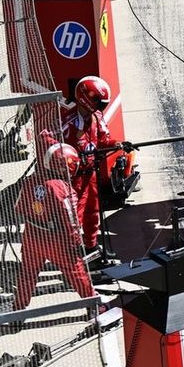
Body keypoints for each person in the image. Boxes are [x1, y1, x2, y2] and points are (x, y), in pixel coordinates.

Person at [12, 143, 95, 311]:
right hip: (57, 240)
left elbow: (18, 207)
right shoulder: (64, 189)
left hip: (32, 235)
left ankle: (18, 310)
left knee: (27, 274)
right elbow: (71, 222)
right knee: (77, 272)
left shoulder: (30, 181)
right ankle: (94, 306)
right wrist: (76, 243)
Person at [59, 76, 129, 259]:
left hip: (91, 175)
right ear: (86, 98)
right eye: (99, 102)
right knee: (74, 218)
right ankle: (72, 257)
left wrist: (119, 144)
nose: (101, 107)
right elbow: (52, 146)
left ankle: (91, 248)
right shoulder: (67, 123)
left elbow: (104, 141)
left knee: (93, 212)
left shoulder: (97, 118)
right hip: (73, 180)